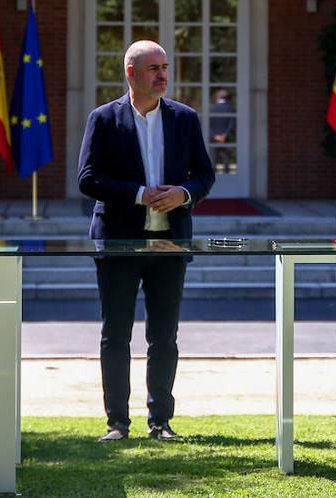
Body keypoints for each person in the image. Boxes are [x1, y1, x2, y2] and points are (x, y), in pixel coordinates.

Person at [78, 40, 215, 443]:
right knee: (116, 334)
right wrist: (138, 193)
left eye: (165, 67)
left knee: (163, 336)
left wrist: (184, 194)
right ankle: (117, 423)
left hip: (170, 243)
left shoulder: (185, 118)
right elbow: (87, 179)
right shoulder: (104, 119)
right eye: (153, 68)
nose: (162, 75)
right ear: (131, 73)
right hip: (119, 243)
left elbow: (205, 175)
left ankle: (161, 422)